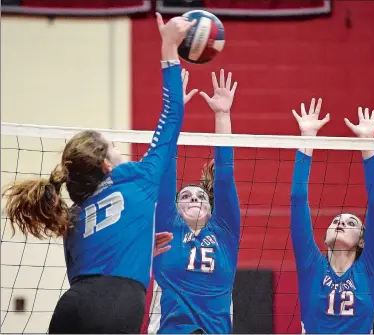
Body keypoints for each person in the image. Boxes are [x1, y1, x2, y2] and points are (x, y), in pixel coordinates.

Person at [2, 13, 195, 334]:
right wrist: (169, 46)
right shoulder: (138, 178)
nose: (119, 148)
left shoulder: (73, 215)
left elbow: (93, 266)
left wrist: (140, 246)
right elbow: (172, 116)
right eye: (113, 145)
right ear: (106, 164)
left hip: (71, 307)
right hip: (117, 306)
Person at [148, 69, 240, 334]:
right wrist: (173, 109)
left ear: (212, 209)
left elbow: (225, 173)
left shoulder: (224, 233)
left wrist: (222, 115)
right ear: (175, 208)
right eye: (185, 196)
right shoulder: (167, 228)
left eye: (200, 196)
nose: (194, 198)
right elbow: (166, 164)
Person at [290, 98, 374, 333]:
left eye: (350, 222)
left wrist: (367, 144)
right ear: (324, 238)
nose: (341, 223)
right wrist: (307, 139)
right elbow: (297, 200)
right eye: (336, 221)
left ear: (362, 241)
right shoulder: (311, 264)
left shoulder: (370, 267)